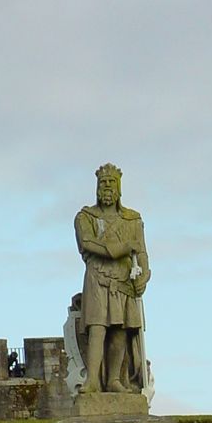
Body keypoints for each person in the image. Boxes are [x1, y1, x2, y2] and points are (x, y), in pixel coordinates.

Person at [74, 163, 150, 393]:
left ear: (118, 188)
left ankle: (114, 379)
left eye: (111, 182)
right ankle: (93, 380)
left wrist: (144, 275)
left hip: (123, 280)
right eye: (103, 183)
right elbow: (87, 243)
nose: (107, 186)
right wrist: (122, 248)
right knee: (97, 327)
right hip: (98, 277)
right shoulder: (85, 217)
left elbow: (142, 252)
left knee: (120, 329)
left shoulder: (132, 219)